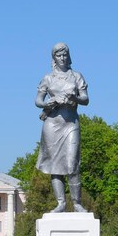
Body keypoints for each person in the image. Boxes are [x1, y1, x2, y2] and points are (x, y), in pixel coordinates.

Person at [35, 42, 89, 213]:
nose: (62, 58)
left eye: (65, 55)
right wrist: (47, 102)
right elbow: (38, 100)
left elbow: (86, 99)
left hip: (71, 123)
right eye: (59, 55)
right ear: (54, 58)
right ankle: (61, 203)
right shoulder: (48, 78)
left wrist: (75, 97)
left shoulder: (76, 76)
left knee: (72, 163)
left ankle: (77, 203)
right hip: (52, 124)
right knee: (55, 166)